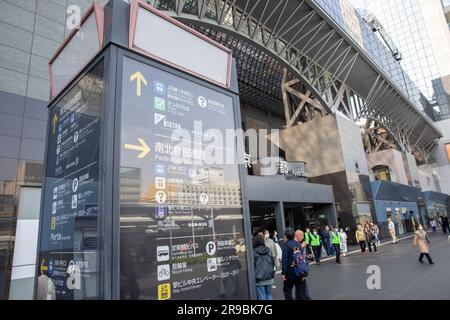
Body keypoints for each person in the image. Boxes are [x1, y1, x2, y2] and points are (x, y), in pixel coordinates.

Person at [281, 228, 311, 300]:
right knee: (300, 291)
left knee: (287, 290)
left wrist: (283, 273)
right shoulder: (298, 245)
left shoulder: (286, 245)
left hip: (290, 272)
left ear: (285, 236)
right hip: (299, 271)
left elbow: (285, 260)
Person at [253, 235, 275, 300]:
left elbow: (253, 265)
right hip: (269, 276)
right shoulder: (268, 250)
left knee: (262, 297)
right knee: (269, 295)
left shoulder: (253, 251)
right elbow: (272, 262)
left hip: (259, 278)